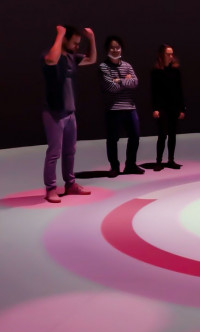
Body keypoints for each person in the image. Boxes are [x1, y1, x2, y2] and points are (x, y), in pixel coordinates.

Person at [42, 25, 97, 203]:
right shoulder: (51, 54)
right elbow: (51, 60)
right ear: (65, 40)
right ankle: (51, 189)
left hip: (70, 113)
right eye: (74, 43)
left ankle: (70, 184)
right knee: (54, 152)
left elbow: (92, 59)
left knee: (70, 151)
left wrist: (91, 38)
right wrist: (60, 34)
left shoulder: (73, 58)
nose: (77, 46)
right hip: (54, 113)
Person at [99, 35, 144, 177]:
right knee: (112, 139)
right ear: (107, 49)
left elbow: (135, 83)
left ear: (121, 49)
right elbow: (110, 87)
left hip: (130, 107)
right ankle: (114, 167)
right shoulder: (103, 67)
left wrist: (119, 80)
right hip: (113, 108)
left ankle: (130, 165)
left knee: (135, 136)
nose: (115, 50)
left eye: (117, 47)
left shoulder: (127, 65)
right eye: (112, 48)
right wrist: (126, 81)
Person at [151, 44, 186, 171]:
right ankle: (158, 161)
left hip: (174, 107)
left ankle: (171, 160)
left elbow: (179, 90)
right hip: (162, 107)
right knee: (162, 135)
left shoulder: (176, 71)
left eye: (172, 54)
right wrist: (155, 108)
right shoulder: (156, 71)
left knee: (172, 134)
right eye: (168, 54)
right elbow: (154, 92)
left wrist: (182, 108)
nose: (171, 56)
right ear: (162, 55)